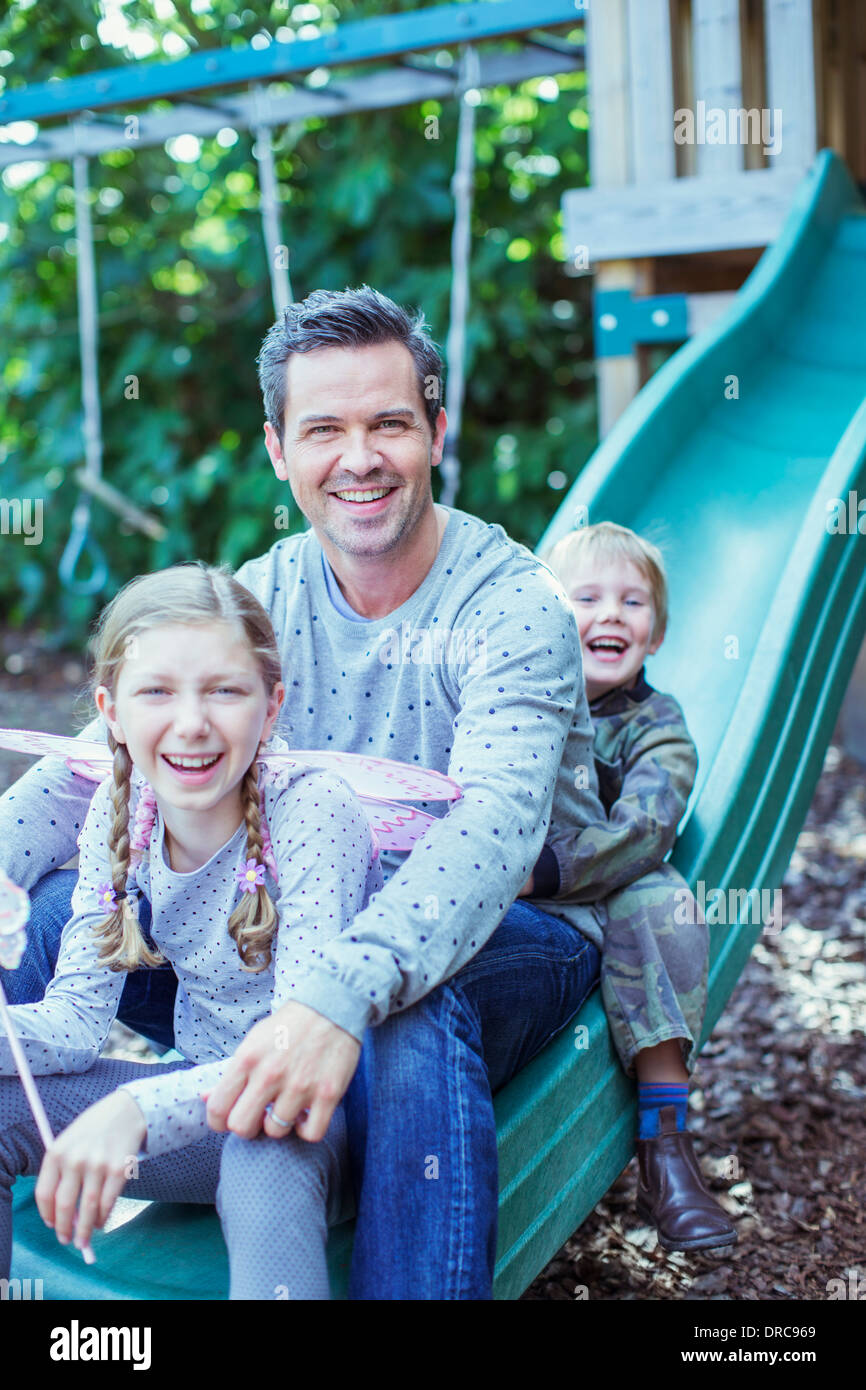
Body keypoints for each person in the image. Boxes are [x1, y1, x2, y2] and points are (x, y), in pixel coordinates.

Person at [0, 285, 606, 1300]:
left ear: (435, 433)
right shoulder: (266, 589)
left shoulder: (510, 608)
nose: (358, 457)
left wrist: (329, 999)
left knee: (410, 1008)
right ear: (280, 449)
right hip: (295, 933)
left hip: (505, 936)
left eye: (389, 425)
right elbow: (99, 766)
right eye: (324, 428)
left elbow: (492, 842)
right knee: (59, 907)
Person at [0, 563, 383, 1297]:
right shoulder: (123, 813)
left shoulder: (315, 811)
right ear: (110, 710)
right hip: (207, 1110)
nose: (191, 723)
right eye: (157, 692)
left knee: (259, 1151)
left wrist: (134, 1110)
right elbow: (77, 1022)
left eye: (224, 690)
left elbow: (293, 1055)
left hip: (321, 1113)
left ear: (270, 708)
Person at [521, 521, 736, 1250]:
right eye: (586, 597)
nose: (611, 614)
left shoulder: (657, 723)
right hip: (510, 882)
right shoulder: (521, 699)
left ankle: (666, 1148)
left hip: (604, 882)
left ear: (659, 632)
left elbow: (647, 828)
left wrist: (549, 872)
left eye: (632, 603)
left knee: (662, 900)